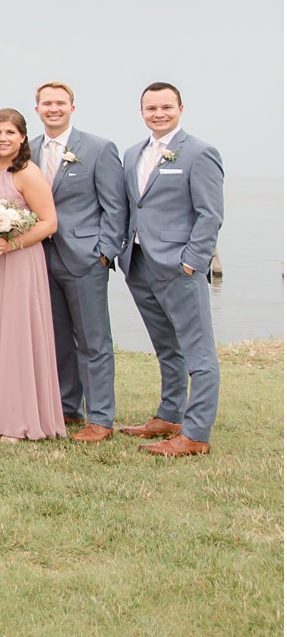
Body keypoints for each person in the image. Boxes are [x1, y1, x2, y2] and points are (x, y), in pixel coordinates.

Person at [116, 82, 224, 457]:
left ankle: (195, 434)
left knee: (199, 352)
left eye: (166, 107)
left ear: (180, 107)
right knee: (166, 346)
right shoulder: (132, 154)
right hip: (140, 263)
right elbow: (134, 208)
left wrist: (192, 262)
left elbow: (210, 215)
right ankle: (170, 415)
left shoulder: (199, 153)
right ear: (142, 111)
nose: (158, 113)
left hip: (181, 267)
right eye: (151, 108)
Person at [28, 81, 127, 443]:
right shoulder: (30, 150)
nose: (53, 108)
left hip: (85, 259)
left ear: (72, 107)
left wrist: (103, 253)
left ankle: (100, 417)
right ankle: (68, 407)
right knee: (55, 338)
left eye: (60, 103)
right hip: (41, 258)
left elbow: (115, 207)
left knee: (93, 340)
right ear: (37, 109)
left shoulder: (99, 149)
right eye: (46, 103)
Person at [0, 109, 64, 441]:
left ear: (22, 137)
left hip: (18, 261)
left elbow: (49, 222)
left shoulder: (27, 173)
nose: (2, 138)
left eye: (10, 132)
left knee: (15, 335)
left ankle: (17, 420)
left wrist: (12, 244)